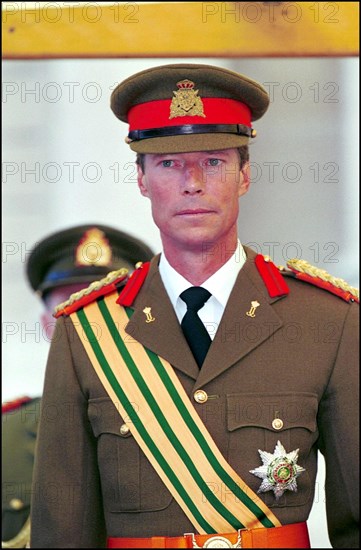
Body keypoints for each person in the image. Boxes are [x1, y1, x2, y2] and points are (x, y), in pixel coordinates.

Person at [30, 64, 359, 549]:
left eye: (213, 161)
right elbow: (63, 528)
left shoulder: (327, 321)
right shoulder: (87, 330)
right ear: (140, 179)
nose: (192, 183)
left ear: (245, 175)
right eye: (167, 163)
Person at [2, 224, 154, 549]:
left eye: (109, 309)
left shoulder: (194, 421)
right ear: (46, 325)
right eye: (72, 314)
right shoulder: (6, 438)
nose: (90, 330)